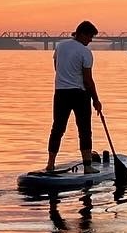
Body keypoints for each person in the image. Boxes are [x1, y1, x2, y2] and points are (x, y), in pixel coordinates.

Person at [42, 20, 102, 173]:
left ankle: (50, 164)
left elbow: (56, 66)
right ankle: (88, 166)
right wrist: (96, 100)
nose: (90, 40)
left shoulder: (60, 46)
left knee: (57, 128)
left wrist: (65, 78)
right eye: (90, 37)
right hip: (79, 93)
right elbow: (88, 80)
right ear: (81, 34)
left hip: (61, 92)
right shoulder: (85, 52)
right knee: (84, 130)